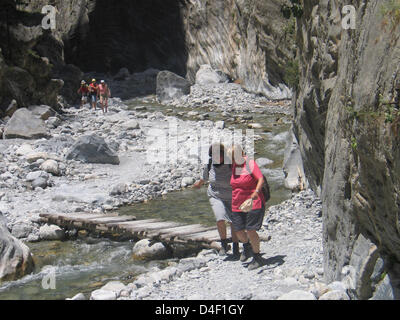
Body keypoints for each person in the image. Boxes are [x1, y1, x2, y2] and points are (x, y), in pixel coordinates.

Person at [193, 143, 239, 258]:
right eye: (214, 156)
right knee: (220, 219)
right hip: (216, 195)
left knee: (233, 222)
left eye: (219, 155)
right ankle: (224, 244)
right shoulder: (210, 164)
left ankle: (236, 246)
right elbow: (205, 177)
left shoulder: (231, 163)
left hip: (232, 196)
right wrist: (199, 183)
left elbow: (242, 177)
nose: (217, 158)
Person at [229, 144, 266, 270]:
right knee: (238, 229)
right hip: (237, 202)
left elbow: (260, 178)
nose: (232, 161)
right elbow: (238, 181)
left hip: (252, 201)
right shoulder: (235, 165)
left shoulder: (250, 163)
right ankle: (247, 247)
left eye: (233, 158)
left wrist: (256, 191)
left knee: (250, 229)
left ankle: (257, 257)